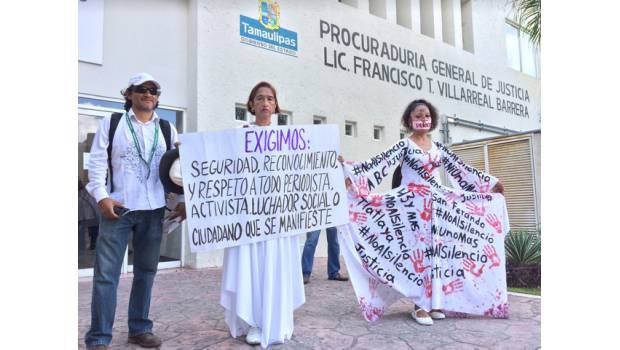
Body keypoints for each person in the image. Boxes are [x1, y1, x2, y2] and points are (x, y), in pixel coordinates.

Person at [338, 98, 508, 325]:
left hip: (437, 211)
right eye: (417, 116)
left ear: (432, 120)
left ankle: (434, 302)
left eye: (426, 116)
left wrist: (489, 185)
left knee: (438, 256)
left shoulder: (439, 148)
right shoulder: (404, 146)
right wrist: (351, 173)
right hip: (413, 212)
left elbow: (461, 170)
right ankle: (419, 306)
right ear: (409, 120)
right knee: (419, 258)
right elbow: (379, 164)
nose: (423, 119)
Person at [84, 73, 186, 349]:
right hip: (118, 209)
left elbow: (182, 168)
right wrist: (101, 197)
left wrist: (183, 201)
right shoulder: (113, 122)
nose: (148, 94)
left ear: (157, 97)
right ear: (128, 94)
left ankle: (139, 329)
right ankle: (99, 337)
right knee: (106, 275)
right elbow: (95, 164)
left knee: (146, 272)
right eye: (141, 89)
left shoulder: (166, 129)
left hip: (153, 211)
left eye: (154, 90)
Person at [220, 81, 305, 348]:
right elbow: (217, 161)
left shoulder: (289, 138)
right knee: (251, 265)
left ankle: (276, 318)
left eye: (270, 98)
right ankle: (254, 321)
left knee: (275, 264)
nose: (265, 103)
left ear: (276, 105)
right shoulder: (238, 135)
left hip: (279, 216)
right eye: (260, 98)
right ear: (251, 105)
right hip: (248, 216)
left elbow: (304, 170)